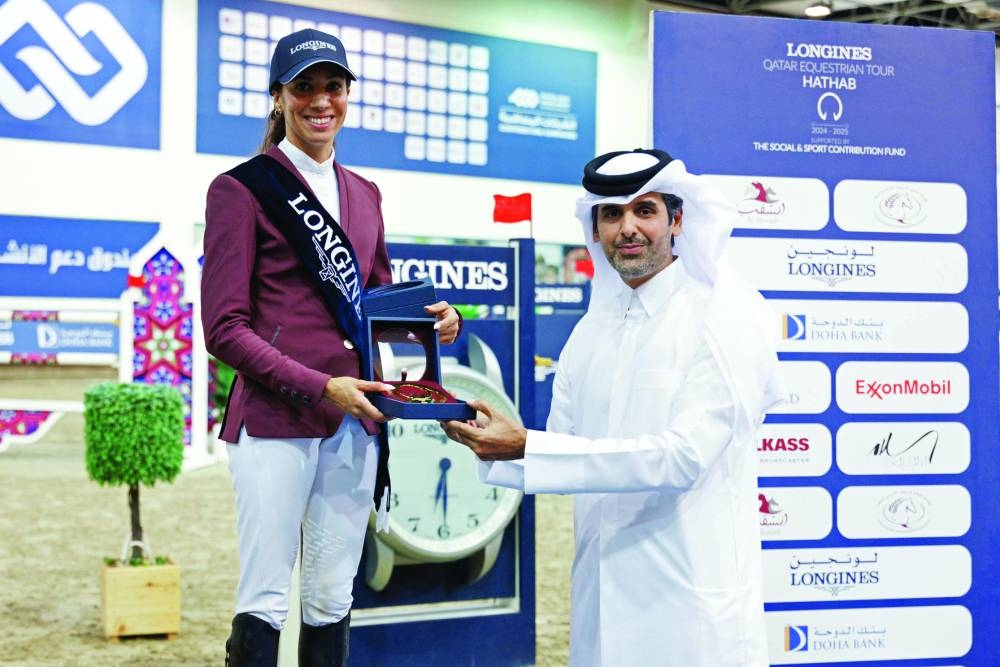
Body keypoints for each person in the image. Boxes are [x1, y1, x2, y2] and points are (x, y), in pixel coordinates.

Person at [442, 149, 783, 666]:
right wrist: (492, 440)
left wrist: (527, 445)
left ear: (678, 219)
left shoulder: (723, 316)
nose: (628, 228)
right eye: (611, 214)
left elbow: (683, 458)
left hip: (687, 606)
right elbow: (567, 450)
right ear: (595, 228)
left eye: (644, 211)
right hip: (600, 599)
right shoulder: (589, 332)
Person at [202, 29, 461, 667]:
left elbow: (374, 306)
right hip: (274, 419)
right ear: (279, 97)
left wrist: (433, 319)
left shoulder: (366, 194)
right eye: (305, 86)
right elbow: (223, 329)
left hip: (354, 419)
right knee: (264, 595)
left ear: (347, 95)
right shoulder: (239, 189)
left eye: (333, 86)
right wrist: (321, 384)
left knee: (330, 593)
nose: (321, 100)